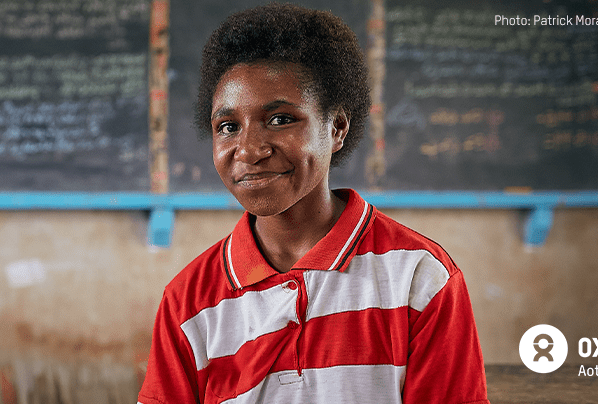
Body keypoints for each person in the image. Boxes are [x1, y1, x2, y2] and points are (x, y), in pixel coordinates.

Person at [137, 3, 489, 403]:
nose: (249, 149)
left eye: (281, 119)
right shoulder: (188, 303)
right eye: (228, 127)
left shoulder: (418, 277)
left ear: (336, 127)